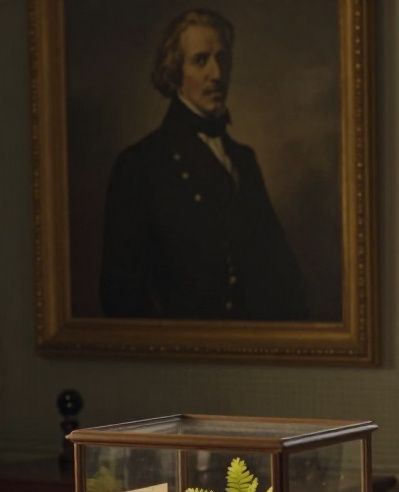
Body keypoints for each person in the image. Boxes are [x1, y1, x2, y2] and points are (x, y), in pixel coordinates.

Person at [100, 8, 308, 320]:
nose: (217, 74)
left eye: (222, 59)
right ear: (175, 72)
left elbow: (282, 271)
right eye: (201, 60)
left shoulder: (244, 159)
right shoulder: (140, 165)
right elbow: (121, 294)